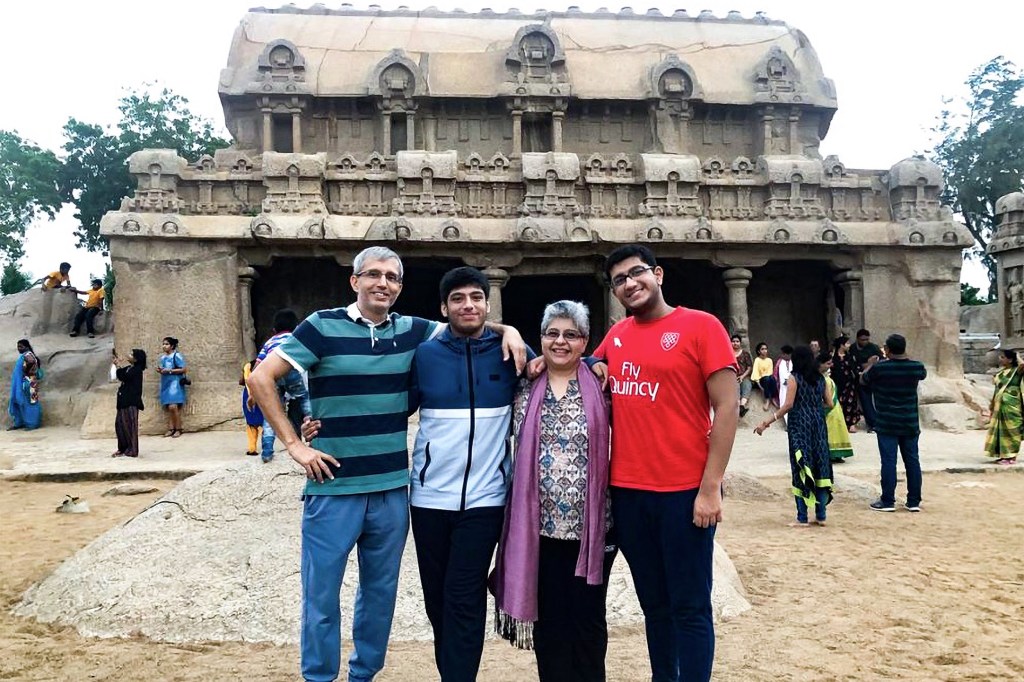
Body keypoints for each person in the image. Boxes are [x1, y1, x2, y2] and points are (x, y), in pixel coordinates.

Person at [249, 246, 526, 682]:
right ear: (354, 281)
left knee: (380, 596)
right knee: (321, 597)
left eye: (393, 278)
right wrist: (293, 445)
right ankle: (319, 676)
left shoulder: (413, 331)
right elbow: (260, 378)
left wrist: (507, 328)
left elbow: (465, 321)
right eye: (374, 275)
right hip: (333, 486)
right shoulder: (321, 326)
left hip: (392, 487)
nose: (383, 284)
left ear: (400, 286)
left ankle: (364, 675)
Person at [593, 244, 738, 682]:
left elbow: (728, 407)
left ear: (657, 274)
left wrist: (710, 487)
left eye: (636, 273)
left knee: (690, 605)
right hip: (630, 493)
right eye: (619, 280)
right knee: (654, 605)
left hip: (684, 492)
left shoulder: (700, 326)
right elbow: (584, 367)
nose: (629, 284)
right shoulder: (617, 336)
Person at [407, 267, 532, 682]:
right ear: (444, 308)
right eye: (458, 299)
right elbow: (391, 402)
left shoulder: (509, 350)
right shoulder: (423, 354)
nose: (469, 305)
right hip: (427, 499)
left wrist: (599, 366)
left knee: (463, 595)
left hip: (486, 499)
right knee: (436, 601)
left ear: (487, 304)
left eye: (476, 297)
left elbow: (561, 360)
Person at [492, 300, 616, 681]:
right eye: (552, 334)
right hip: (538, 529)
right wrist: (505, 329)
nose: (560, 342)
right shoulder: (522, 381)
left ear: (585, 342)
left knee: (588, 618)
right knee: (550, 620)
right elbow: (471, 325)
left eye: (571, 335)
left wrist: (597, 360)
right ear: (540, 339)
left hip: (594, 529)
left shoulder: (603, 384)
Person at [755, 346, 833, 525]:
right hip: (819, 427)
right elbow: (829, 403)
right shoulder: (821, 379)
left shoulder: (794, 378)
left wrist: (767, 422)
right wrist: (815, 410)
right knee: (820, 465)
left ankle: (802, 517)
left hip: (799, 426)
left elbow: (788, 404)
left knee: (801, 466)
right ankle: (821, 515)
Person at [860, 333, 927, 512]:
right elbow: (922, 374)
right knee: (912, 461)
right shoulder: (916, 367)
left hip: (886, 422)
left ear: (887, 350)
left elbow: (863, 380)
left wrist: (871, 365)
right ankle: (914, 501)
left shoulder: (880, 368)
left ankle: (887, 500)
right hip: (910, 422)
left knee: (889, 461)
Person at [251, 309, 311, 463]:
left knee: (272, 410)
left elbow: (258, 366)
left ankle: (267, 452)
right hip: (291, 372)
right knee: (305, 400)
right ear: (296, 326)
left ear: (274, 330)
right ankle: (314, 438)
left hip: (273, 376)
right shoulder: (295, 337)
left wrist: (253, 392)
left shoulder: (270, 342)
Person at [985, 349, 1022, 465]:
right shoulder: (1002, 372)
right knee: (1000, 431)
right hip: (1000, 404)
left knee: (1012, 430)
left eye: (1003, 357)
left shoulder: (1016, 371)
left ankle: (1011, 456)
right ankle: (1003, 455)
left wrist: (1018, 356)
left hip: (1011, 404)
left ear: (1010, 360)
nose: (1000, 359)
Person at [819, 350, 853, 462]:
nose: (831, 365)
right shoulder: (823, 379)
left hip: (833, 409)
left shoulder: (826, 379)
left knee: (834, 432)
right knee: (831, 433)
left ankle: (835, 454)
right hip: (831, 409)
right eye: (828, 363)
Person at [112, 348, 146, 458]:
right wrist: (118, 364)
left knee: (130, 426)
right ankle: (123, 448)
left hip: (131, 402)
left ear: (136, 359)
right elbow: (120, 374)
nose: (129, 355)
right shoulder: (129, 368)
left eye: (132, 354)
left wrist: (118, 366)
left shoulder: (137, 370)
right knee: (120, 425)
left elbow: (124, 377)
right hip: (123, 401)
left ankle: (132, 449)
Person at [851, 328, 884, 432]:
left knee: (875, 401)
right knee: (865, 402)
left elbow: (881, 360)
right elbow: (852, 363)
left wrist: (874, 363)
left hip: (874, 378)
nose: (865, 342)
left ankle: (878, 422)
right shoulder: (853, 348)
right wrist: (865, 365)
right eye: (862, 339)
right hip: (860, 378)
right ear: (857, 339)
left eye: (866, 339)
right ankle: (872, 423)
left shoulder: (873, 347)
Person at [7, 339, 42, 430]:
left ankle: (32, 424)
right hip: (23, 382)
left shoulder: (28, 356)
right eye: (18, 347)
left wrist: (24, 380)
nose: (19, 348)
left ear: (26, 347)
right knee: (20, 402)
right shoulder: (24, 356)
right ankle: (20, 422)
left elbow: (31, 371)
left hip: (28, 383)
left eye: (21, 347)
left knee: (30, 403)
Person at [830, 335, 863, 432]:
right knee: (837, 403)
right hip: (836, 383)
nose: (849, 345)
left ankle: (851, 424)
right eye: (847, 343)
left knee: (850, 402)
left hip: (849, 384)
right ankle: (839, 424)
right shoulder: (832, 357)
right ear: (841, 345)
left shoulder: (850, 356)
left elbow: (855, 368)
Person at [157, 336, 187, 438]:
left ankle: (178, 428)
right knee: (169, 408)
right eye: (163, 344)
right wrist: (161, 370)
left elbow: (183, 369)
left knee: (173, 407)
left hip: (175, 383)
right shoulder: (163, 357)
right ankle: (171, 428)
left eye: (166, 344)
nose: (164, 346)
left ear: (172, 346)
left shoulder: (177, 356)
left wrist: (169, 371)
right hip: (166, 383)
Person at [240, 357, 263, 457]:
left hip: (248, 396)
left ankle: (252, 448)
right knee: (264, 423)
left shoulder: (247, 367)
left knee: (251, 423)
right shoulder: (266, 365)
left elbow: (241, 381)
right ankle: (267, 447)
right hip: (262, 394)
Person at [731, 334, 753, 417]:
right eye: (733, 341)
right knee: (735, 387)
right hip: (732, 377)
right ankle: (737, 407)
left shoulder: (745, 354)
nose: (735, 343)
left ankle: (742, 406)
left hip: (744, 376)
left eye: (737, 341)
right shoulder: (728, 353)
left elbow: (749, 367)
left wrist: (742, 377)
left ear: (740, 343)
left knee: (747, 384)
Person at [751, 342, 777, 410]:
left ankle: (773, 398)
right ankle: (767, 400)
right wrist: (760, 387)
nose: (765, 350)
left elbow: (770, 373)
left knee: (771, 377)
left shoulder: (769, 360)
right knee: (766, 378)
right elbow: (755, 374)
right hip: (759, 382)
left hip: (768, 380)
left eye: (766, 349)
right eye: (762, 349)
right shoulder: (757, 360)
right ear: (759, 351)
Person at [774, 345, 794, 416]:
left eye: (783, 354)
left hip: (793, 386)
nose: (781, 355)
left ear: (788, 354)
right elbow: (775, 375)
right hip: (782, 386)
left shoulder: (794, 362)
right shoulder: (779, 362)